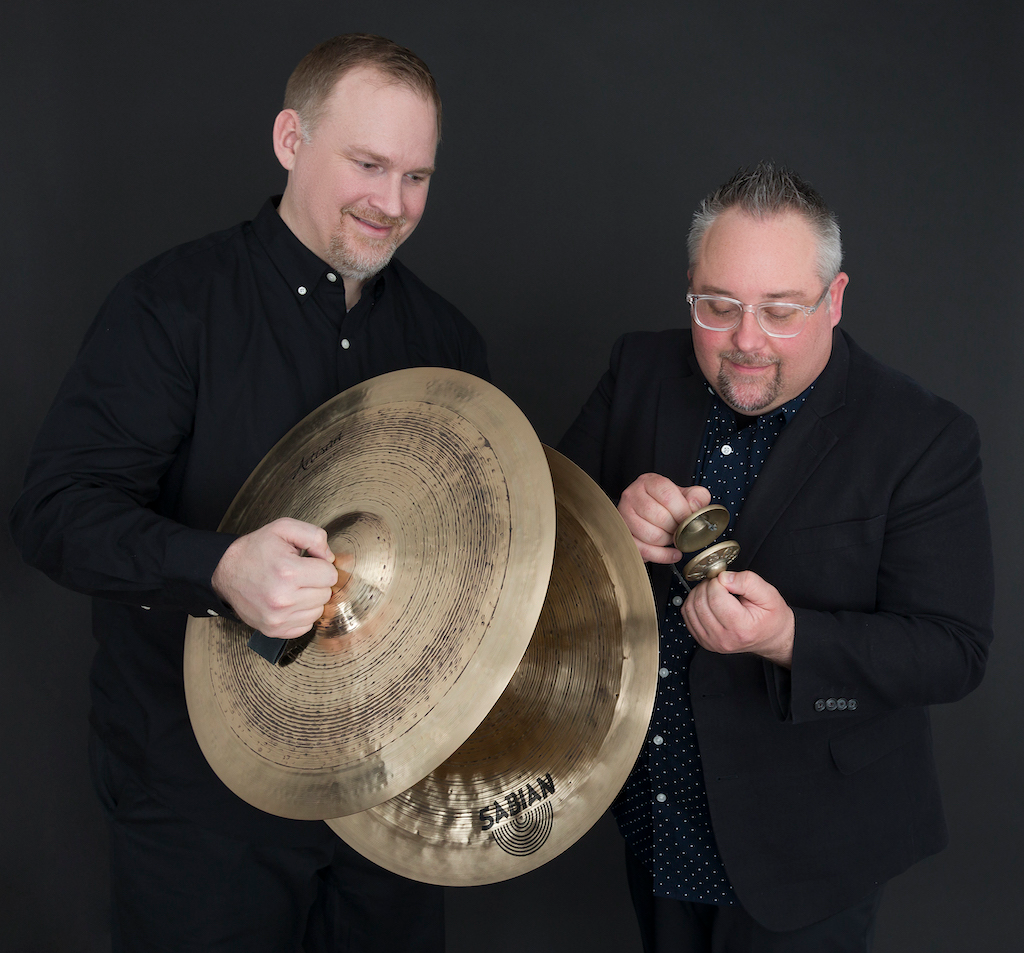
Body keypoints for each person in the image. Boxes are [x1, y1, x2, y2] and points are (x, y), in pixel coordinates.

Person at [10, 33, 488, 953]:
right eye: (368, 164)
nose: (392, 204)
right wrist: (218, 566)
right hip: (199, 803)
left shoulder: (448, 343)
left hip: (385, 797)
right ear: (288, 140)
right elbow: (55, 510)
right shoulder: (172, 307)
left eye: (417, 177)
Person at [557, 162, 993, 952]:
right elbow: (541, 537)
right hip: (653, 814)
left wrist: (790, 638)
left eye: (781, 311)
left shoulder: (923, 435)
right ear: (690, 287)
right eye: (717, 307)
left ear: (835, 299)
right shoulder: (640, 370)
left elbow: (954, 651)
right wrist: (607, 522)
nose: (746, 341)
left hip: (812, 847)